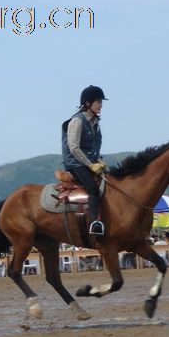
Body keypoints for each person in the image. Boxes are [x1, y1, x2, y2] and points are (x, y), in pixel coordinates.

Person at [61, 85, 108, 237]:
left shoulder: (95, 122)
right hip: (75, 164)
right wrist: (90, 165)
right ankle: (94, 224)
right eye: (98, 101)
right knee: (93, 189)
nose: (101, 105)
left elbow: (95, 147)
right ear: (88, 103)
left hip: (91, 163)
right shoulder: (77, 121)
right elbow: (74, 148)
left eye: (101, 102)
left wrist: (100, 160)